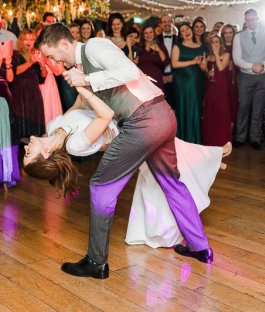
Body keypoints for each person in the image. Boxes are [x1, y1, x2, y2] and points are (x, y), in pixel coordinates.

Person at [33, 23, 213, 280]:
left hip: (144, 121)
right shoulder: (82, 67)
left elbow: (128, 70)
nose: (53, 61)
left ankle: (96, 261)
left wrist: (87, 79)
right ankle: (200, 246)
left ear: (63, 44)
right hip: (161, 116)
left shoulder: (94, 47)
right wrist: (57, 132)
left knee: (101, 186)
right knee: (172, 183)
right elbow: (79, 107)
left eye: (51, 54)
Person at [23, 83, 230, 248]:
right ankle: (210, 159)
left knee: (172, 165)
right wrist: (82, 88)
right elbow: (105, 116)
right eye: (28, 154)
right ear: (46, 154)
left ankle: (210, 158)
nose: (25, 149)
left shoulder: (52, 128)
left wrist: (84, 85)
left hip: (132, 131)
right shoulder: (75, 145)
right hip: (130, 140)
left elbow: (77, 108)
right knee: (169, 170)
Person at [232, 9, 265, 150]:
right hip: (245, 76)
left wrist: (263, 65)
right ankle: (240, 137)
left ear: (257, 19)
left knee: (258, 108)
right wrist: (251, 66)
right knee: (243, 106)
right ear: (245, 20)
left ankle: (255, 138)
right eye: (248, 20)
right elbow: (236, 59)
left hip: (264, 76)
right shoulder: (238, 37)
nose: (250, 22)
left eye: (253, 19)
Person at [172, 19, 206, 144]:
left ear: (191, 30)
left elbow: (205, 66)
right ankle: (183, 141)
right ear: (180, 35)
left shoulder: (201, 46)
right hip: (182, 85)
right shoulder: (178, 46)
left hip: (198, 83)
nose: (185, 32)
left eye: (187, 29)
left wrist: (202, 64)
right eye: (182, 31)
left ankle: (195, 141)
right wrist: (193, 61)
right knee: (183, 110)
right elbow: (174, 64)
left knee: (196, 110)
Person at [10, 29, 46, 139]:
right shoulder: (15, 54)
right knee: (21, 123)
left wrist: (42, 65)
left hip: (34, 92)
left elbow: (43, 76)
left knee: (35, 123)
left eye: (31, 39)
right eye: (26, 39)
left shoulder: (36, 53)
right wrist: (31, 62)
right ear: (20, 41)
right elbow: (15, 71)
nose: (29, 42)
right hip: (19, 92)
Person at [200, 35, 232, 146]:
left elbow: (221, 68)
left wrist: (217, 54)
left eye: (217, 41)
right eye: (213, 42)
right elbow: (206, 70)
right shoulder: (208, 57)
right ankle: (211, 139)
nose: (215, 44)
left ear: (220, 43)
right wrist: (207, 72)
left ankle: (222, 139)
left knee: (221, 111)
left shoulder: (226, 54)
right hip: (211, 86)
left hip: (221, 86)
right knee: (211, 111)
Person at [135, 25, 169, 92]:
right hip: (142, 82)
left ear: (154, 33)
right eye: (146, 33)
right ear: (143, 35)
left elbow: (166, 62)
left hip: (156, 80)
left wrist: (159, 50)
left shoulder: (160, 45)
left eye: (151, 32)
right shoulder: (138, 47)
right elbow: (133, 62)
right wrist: (134, 62)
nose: (149, 35)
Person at [157, 14, 177, 109]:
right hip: (160, 78)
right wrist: (161, 76)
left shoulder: (179, 39)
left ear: (172, 23)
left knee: (175, 106)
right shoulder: (156, 39)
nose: (167, 24)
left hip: (176, 78)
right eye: (164, 22)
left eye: (169, 21)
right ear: (161, 24)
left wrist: (174, 75)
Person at [221, 24, 238, 128]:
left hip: (235, 79)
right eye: (226, 33)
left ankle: (232, 128)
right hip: (223, 79)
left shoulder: (238, 46)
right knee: (224, 103)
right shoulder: (220, 48)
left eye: (230, 32)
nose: (228, 35)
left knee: (233, 103)